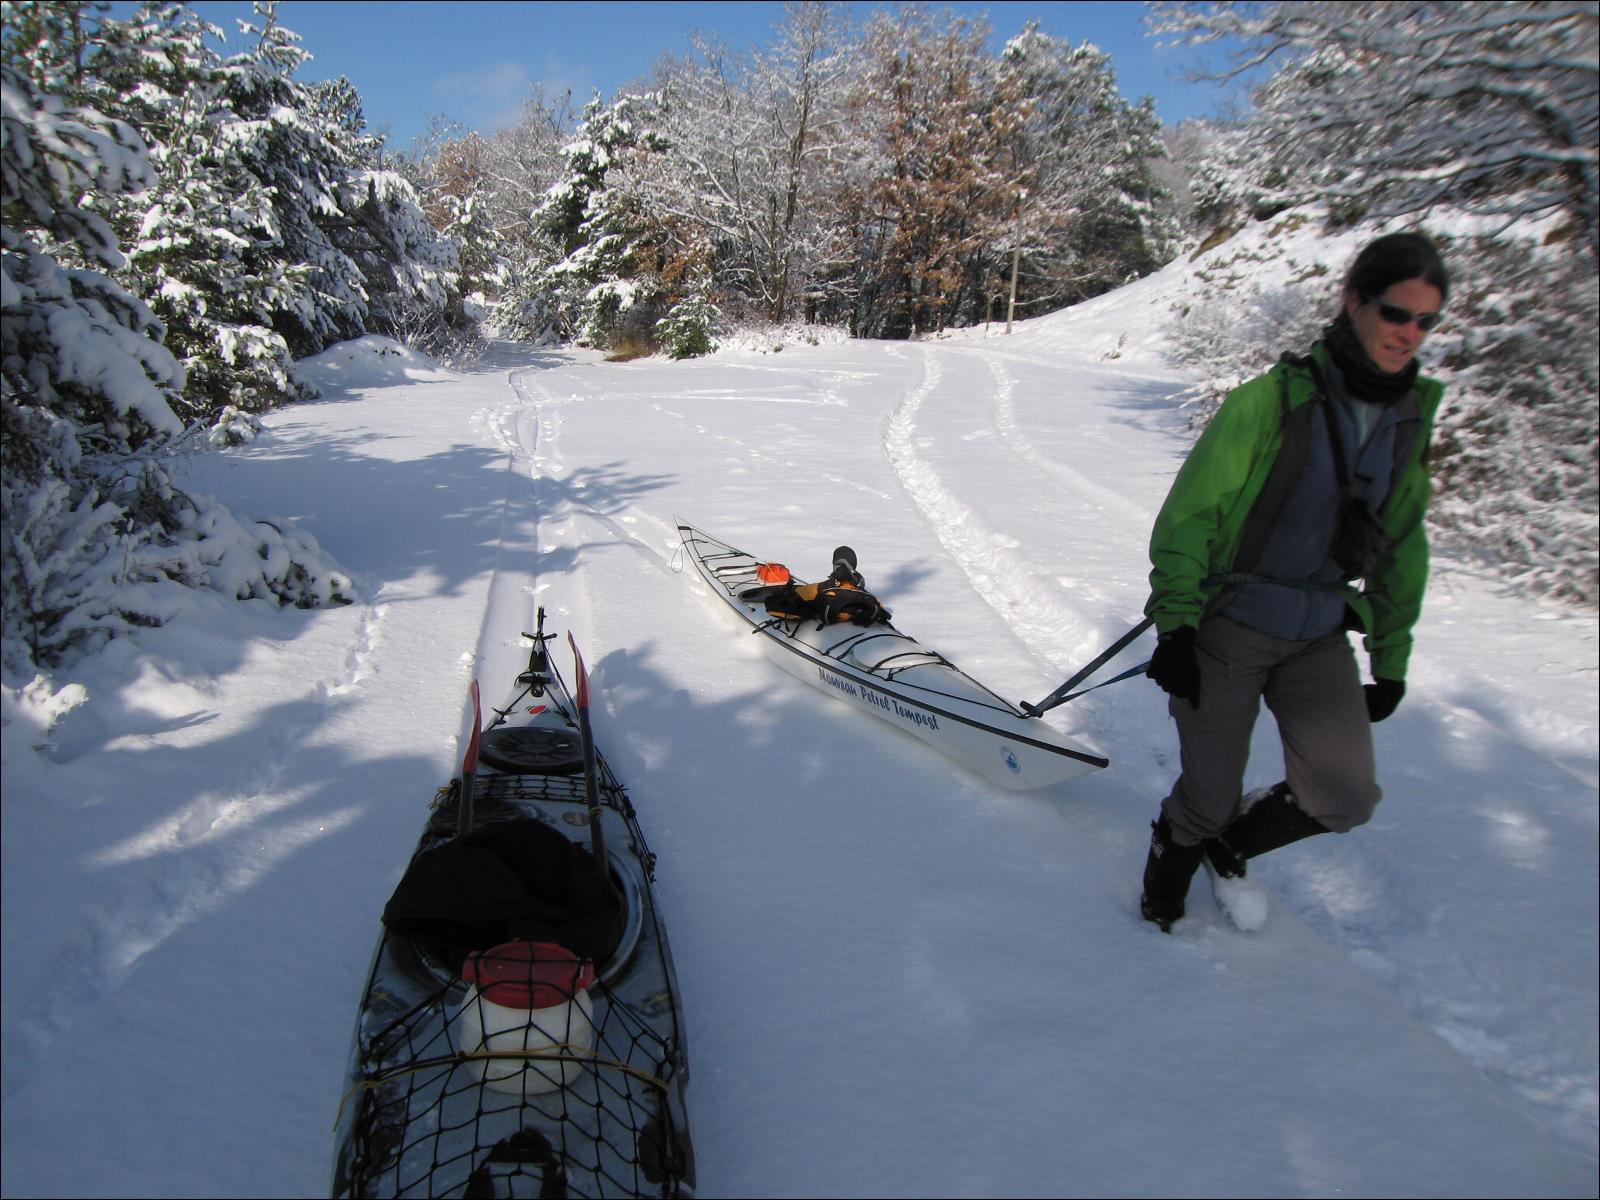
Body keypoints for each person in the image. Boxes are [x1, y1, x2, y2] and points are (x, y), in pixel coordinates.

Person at [1139, 231, 1449, 932]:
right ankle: (1168, 879)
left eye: (1426, 321)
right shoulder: (1270, 403)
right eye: (1397, 313)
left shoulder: (1408, 421)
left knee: (1345, 795)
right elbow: (1190, 517)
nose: (1410, 333)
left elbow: (1402, 548)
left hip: (1317, 634)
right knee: (1205, 799)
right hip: (1231, 627)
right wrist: (1179, 625)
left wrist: (1390, 660)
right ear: (1354, 303)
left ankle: (1228, 845)